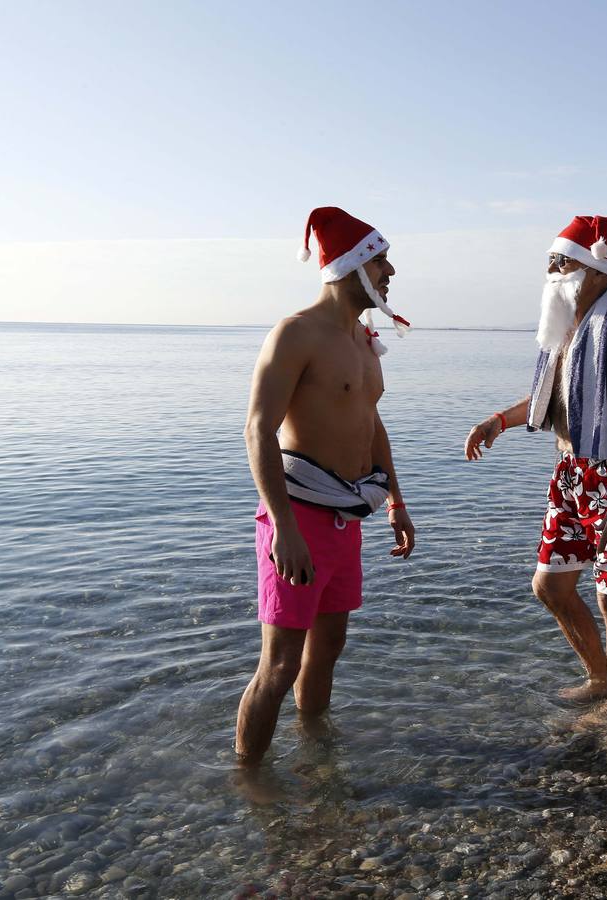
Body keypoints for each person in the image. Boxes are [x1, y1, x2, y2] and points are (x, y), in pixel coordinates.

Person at [464, 215, 607, 715]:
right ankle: (599, 678)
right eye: (550, 261)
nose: (551, 270)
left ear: (594, 269)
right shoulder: (568, 331)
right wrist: (498, 420)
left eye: (559, 261)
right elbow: (554, 400)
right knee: (550, 586)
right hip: (571, 475)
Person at [235, 206, 415, 766]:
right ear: (352, 266)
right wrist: (283, 528)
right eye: (380, 260)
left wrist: (397, 503)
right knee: (280, 663)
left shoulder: (363, 341)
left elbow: (370, 420)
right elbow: (257, 429)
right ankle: (250, 780)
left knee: (329, 649)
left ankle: (315, 759)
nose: (389, 272)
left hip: (349, 511)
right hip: (299, 516)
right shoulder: (296, 334)